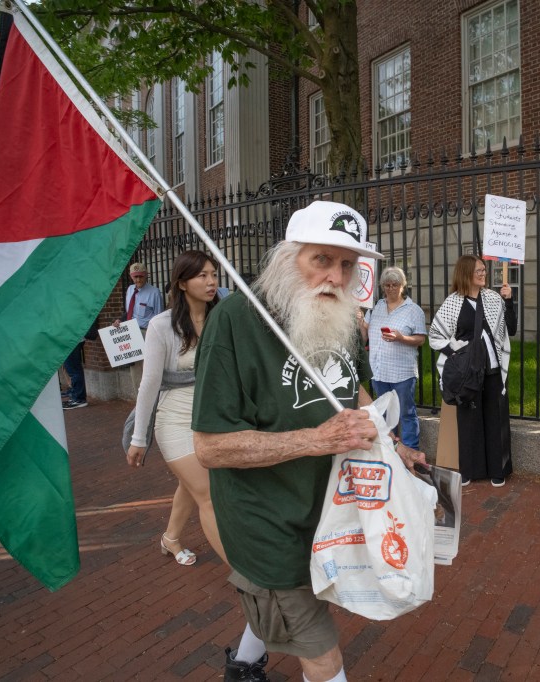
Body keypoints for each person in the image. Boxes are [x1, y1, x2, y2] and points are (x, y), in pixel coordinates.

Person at [191, 201, 427, 682]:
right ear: (287, 257)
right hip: (266, 520)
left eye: (347, 263)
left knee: (289, 602)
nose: (336, 277)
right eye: (322, 259)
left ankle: (243, 663)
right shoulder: (235, 321)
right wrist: (314, 440)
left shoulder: (339, 315)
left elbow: (354, 391)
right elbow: (210, 447)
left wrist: (392, 443)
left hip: (326, 510)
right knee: (321, 653)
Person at [126, 250, 226, 568]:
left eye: (214, 274)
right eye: (202, 276)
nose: (211, 282)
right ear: (182, 283)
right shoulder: (161, 325)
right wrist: (139, 438)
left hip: (212, 417)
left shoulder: (222, 317)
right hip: (175, 418)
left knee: (189, 483)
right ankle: (247, 576)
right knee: (209, 494)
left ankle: (170, 539)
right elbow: (149, 384)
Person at [429, 254, 516, 487]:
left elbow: (511, 330)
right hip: (468, 372)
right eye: (478, 271)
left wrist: (509, 301)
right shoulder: (453, 303)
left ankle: (499, 469)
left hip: (493, 368)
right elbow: (435, 336)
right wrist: (455, 353)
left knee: (496, 418)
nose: (483, 273)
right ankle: (470, 468)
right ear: (466, 273)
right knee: (469, 421)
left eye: (483, 270)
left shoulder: (493, 298)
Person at [360, 267, 427, 449]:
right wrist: (360, 323)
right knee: (384, 414)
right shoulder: (375, 308)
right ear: (382, 287)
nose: (391, 288)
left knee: (406, 413)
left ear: (402, 286)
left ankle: (411, 451)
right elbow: (364, 335)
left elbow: (421, 339)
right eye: (387, 285)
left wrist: (401, 338)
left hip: (402, 373)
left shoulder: (413, 310)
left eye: (395, 285)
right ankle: (389, 450)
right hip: (379, 371)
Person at [116, 262, 164, 333]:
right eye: (135, 277)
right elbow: (129, 312)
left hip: (146, 331)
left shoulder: (154, 292)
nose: (138, 280)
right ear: (131, 276)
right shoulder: (130, 289)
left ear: (146, 275)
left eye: (141, 276)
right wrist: (120, 320)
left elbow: (159, 317)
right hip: (130, 330)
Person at [61, 323, 98, 410]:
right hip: (74, 338)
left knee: (74, 369)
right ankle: (76, 397)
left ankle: (79, 399)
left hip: (71, 339)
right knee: (74, 369)